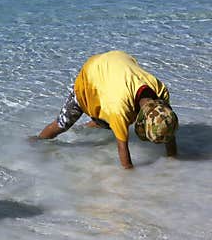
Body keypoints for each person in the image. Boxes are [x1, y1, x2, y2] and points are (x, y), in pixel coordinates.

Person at [36, 50, 178, 169]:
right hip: (91, 75)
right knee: (62, 124)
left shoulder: (161, 92)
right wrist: (131, 184)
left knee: (110, 122)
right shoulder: (119, 109)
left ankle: (86, 128)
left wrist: (173, 163)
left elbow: (166, 125)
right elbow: (124, 154)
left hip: (117, 61)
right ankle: (35, 141)